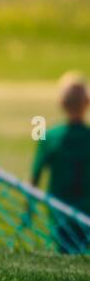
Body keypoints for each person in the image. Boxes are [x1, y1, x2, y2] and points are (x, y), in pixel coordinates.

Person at [31, 71, 90, 253]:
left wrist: (28, 209)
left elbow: (35, 176)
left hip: (59, 211)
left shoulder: (49, 137)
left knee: (64, 255)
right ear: (87, 102)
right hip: (87, 209)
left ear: (61, 103)